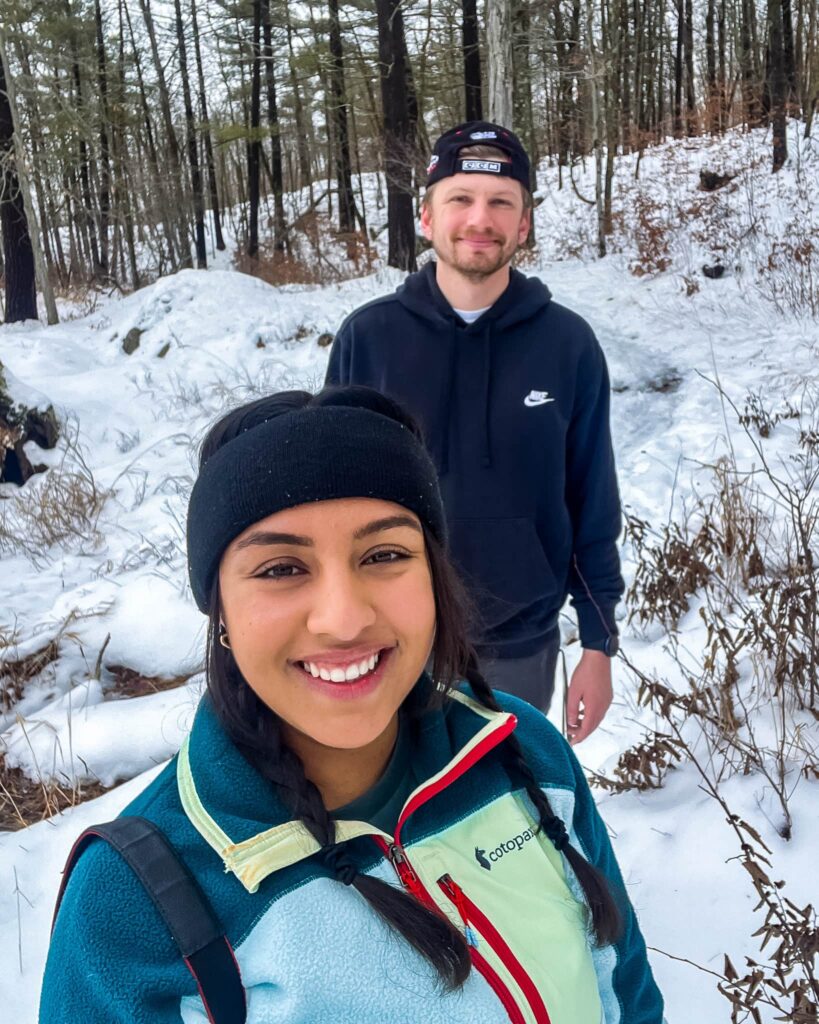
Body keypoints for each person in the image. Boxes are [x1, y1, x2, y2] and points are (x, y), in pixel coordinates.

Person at [41, 386, 662, 1024]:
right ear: (220, 610)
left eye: (385, 554)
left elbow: (628, 990)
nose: (342, 620)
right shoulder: (135, 899)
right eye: (281, 568)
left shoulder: (521, 749)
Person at [326, 122, 624, 743]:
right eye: (460, 199)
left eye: (500, 203)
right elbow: (329, 503)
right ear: (429, 218)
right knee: (393, 823)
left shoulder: (567, 345)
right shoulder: (369, 339)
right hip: (388, 643)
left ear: (523, 225)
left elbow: (591, 501)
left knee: (507, 819)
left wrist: (598, 646)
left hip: (519, 646)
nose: (479, 219)